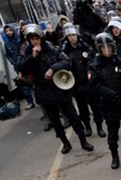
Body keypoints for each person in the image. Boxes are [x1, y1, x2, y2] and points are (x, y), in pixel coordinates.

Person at [18, 24, 93, 154]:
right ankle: (65, 142)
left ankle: (83, 140)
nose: (35, 41)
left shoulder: (52, 49)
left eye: (36, 38)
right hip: (43, 91)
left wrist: (53, 69)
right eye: (32, 39)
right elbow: (22, 68)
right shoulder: (26, 53)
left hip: (59, 88)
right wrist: (33, 57)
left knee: (73, 116)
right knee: (54, 120)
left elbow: (67, 62)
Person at [87, 33, 121, 169]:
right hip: (109, 104)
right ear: (99, 49)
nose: (107, 50)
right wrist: (111, 95)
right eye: (103, 48)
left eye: (109, 47)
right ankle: (115, 156)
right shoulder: (94, 66)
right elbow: (95, 85)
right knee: (112, 134)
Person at [61, 24, 105, 139]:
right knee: (83, 110)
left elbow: (94, 63)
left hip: (90, 83)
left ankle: (99, 127)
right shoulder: (64, 52)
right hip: (77, 85)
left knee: (96, 108)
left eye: (74, 35)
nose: (72, 38)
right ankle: (88, 127)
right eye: (69, 36)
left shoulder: (86, 48)